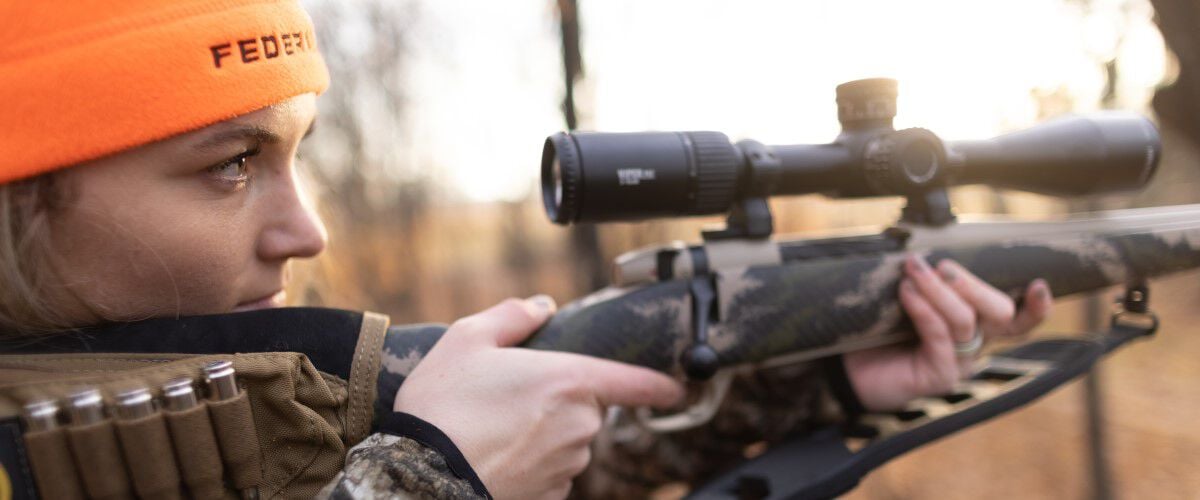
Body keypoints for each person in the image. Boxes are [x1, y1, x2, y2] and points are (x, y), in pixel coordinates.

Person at [0, 1, 1053, 498]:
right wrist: (431, 476)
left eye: (294, 155)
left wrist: (815, 385)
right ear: (24, 192)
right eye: (229, 163)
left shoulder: (269, 399)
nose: (305, 231)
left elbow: (569, 468)